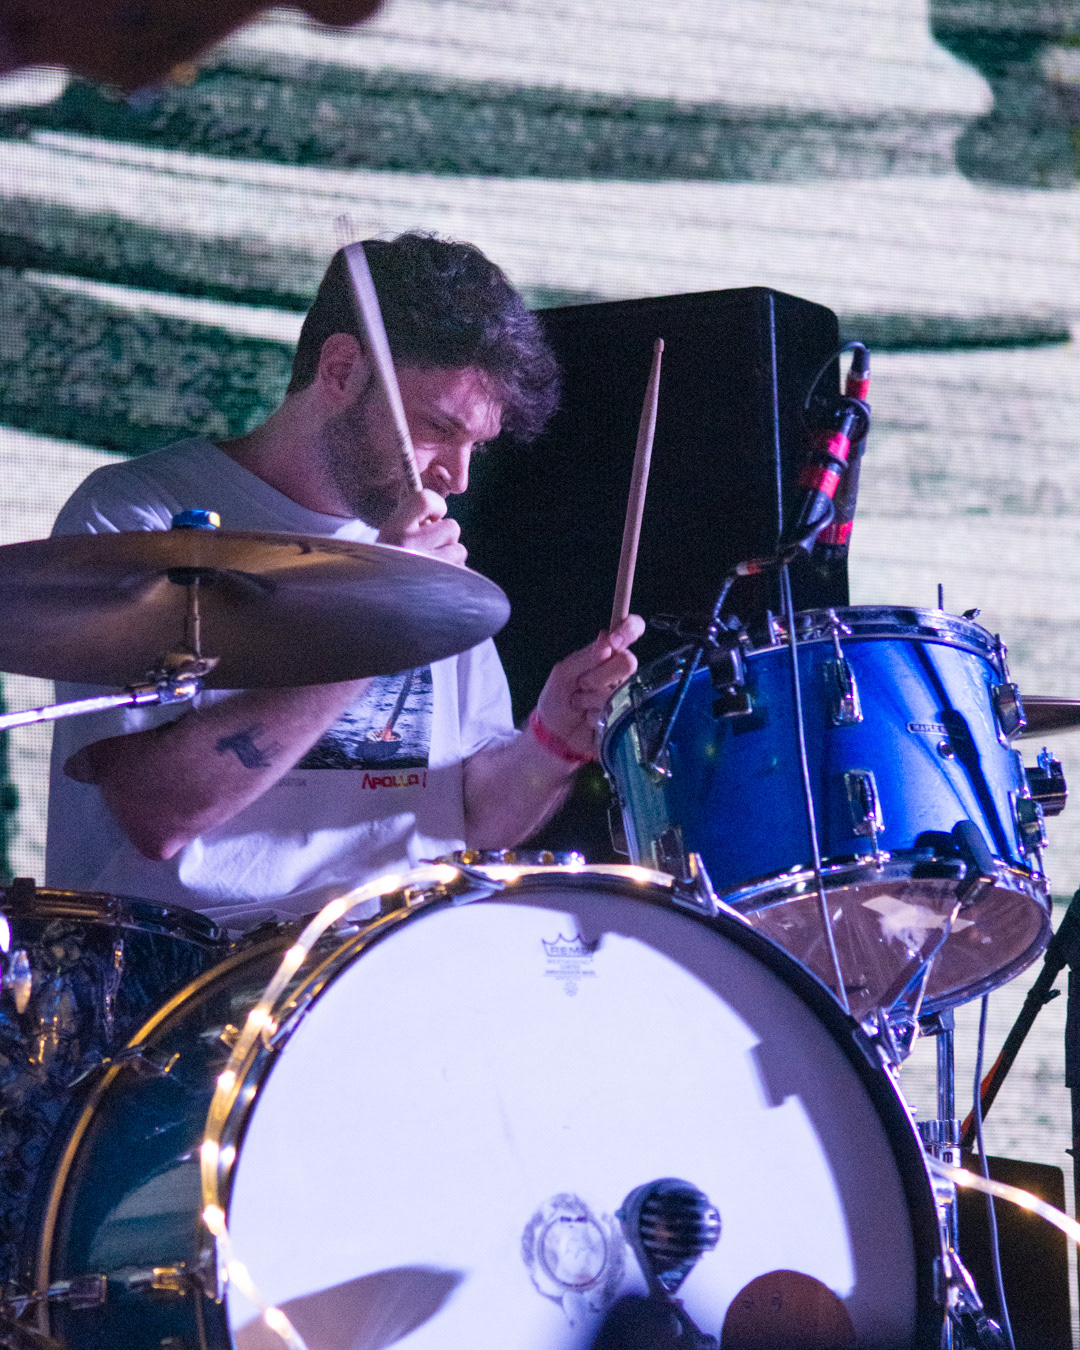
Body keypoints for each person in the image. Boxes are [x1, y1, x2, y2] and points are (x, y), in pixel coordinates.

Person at [46, 233, 643, 931]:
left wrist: (553, 739)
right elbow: (159, 815)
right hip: (194, 966)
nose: (457, 477)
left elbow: (470, 814)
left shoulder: (428, 553)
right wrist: (376, 622)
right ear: (341, 369)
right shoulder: (136, 517)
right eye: (436, 429)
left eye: (475, 447)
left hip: (396, 957)